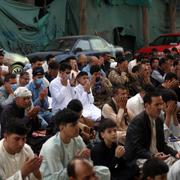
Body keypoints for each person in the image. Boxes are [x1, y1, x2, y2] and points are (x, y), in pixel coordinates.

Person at [40, 108, 110, 180]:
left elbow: (88, 162)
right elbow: (58, 177)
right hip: (55, 178)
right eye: (73, 125)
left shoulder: (78, 139)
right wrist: (76, 160)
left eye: (77, 123)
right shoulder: (51, 147)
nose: (77, 127)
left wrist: (85, 160)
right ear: (62, 128)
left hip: (76, 174)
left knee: (104, 171)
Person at [125, 91, 180, 167]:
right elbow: (137, 149)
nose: (160, 107)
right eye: (157, 105)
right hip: (139, 159)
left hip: (155, 156)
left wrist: (175, 153)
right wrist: (153, 156)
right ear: (147, 105)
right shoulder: (138, 122)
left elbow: (162, 145)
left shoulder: (158, 121)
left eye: (161, 104)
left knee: (177, 163)